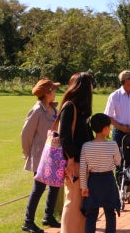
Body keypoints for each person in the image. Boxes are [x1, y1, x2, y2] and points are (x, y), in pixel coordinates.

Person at [21, 78, 62, 233]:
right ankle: (28, 222)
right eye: (53, 89)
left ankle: (48, 216)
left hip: (54, 154)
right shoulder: (37, 110)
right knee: (39, 187)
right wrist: (28, 153)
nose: (55, 91)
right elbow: (25, 134)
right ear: (46, 93)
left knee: (55, 185)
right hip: (40, 155)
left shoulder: (52, 109)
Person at [58, 72, 95, 233]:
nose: (93, 87)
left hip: (83, 161)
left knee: (80, 202)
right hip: (74, 162)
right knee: (72, 201)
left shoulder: (80, 109)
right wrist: (71, 161)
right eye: (91, 84)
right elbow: (65, 136)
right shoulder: (70, 106)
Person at [80, 113, 121, 233]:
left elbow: (83, 169)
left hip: (93, 181)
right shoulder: (112, 144)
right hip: (108, 180)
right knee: (110, 212)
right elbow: (118, 161)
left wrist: (84, 186)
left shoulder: (86, 146)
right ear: (106, 129)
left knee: (91, 214)